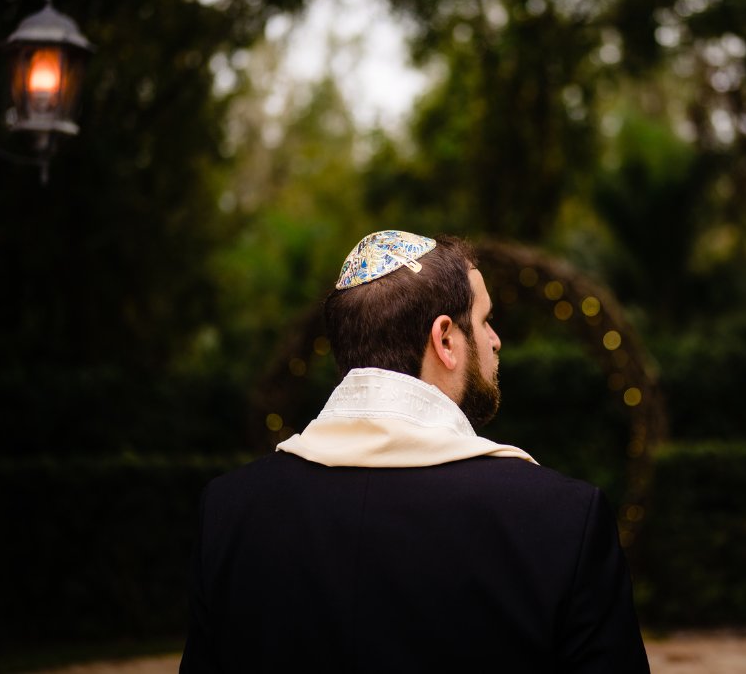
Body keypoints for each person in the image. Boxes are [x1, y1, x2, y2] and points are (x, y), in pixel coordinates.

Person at [180, 230, 651, 673]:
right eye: (485, 321)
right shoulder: (563, 519)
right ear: (445, 339)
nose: (495, 340)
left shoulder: (231, 510)